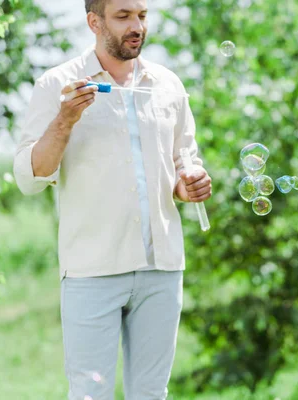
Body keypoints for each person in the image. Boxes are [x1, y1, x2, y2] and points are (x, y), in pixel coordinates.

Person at [12, 0, 212, 398]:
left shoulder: (168, 85)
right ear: (94, 21)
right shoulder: (57, 85)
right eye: (123, 17)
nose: (137, 26)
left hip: (161, 266)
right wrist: (64, 121)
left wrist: (188, 180)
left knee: (152, 393)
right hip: (92, 269)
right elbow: (29, 178)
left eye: (142, 15)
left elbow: (183, 159)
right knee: (90, 394)